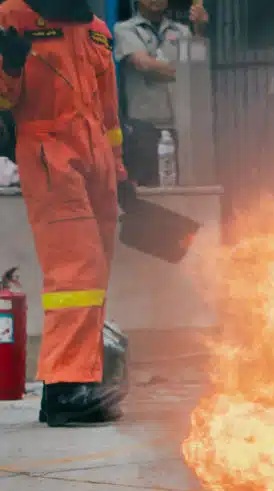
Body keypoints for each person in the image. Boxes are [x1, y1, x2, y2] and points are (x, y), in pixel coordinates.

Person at [0, 0, 130, 425]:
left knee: (94, 274)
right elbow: (4, 99)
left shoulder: (96, 29)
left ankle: (79, 378)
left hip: (98, 160)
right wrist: (9, 65)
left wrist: (120, 170)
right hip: (49, 154)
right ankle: (64, 387)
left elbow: (108, 114)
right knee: (76, 270)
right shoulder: (13, 16)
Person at [114, 0, 208, 185]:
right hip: (143, 128)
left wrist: (199, 30)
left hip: (180, 127)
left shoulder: (182, 31)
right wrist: (183, 69)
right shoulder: (125, 29)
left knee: (183, 186)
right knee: (148, 189)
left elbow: (198, 67)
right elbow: (144, 64)